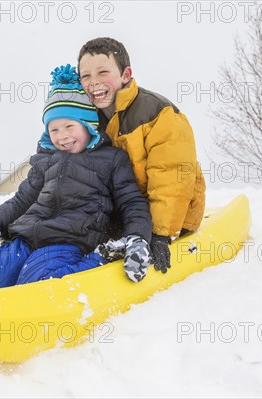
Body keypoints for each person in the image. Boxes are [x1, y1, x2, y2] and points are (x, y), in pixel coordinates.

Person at [0, 64, 153, 290]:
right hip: (27, 236)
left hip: (69, 240)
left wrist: (138, 237)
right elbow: (21, 200)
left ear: (88, 125)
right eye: (54, 130)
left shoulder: (111, 159)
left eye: (69, 126)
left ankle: (103, 257)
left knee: (37, 282)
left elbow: (132, 202)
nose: (62, 136)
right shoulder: (46, 159)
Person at [77, 37, 206, 274]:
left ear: (125, 75)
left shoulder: (158, 113)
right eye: (86, 76)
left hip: (172, 216)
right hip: (126, 213)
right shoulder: (86, 121)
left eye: (102, 72)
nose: (93, 82)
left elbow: (172, 174)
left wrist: (160, 233)